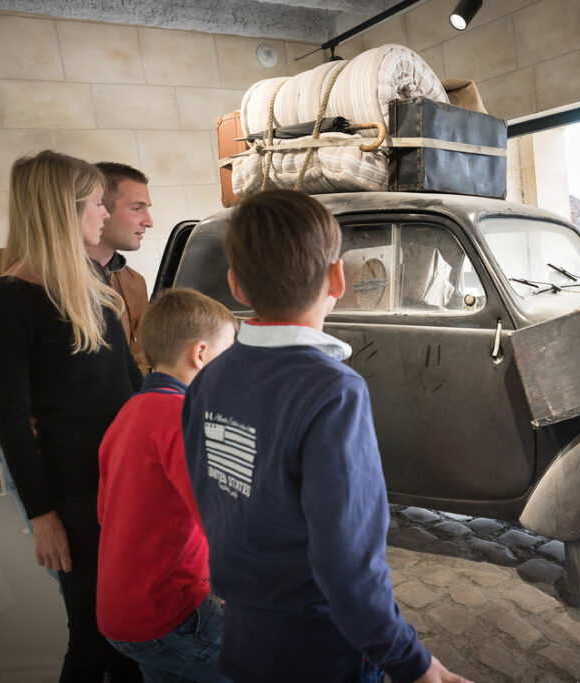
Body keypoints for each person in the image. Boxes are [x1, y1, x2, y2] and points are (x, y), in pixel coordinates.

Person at [182, 190, 470, 683]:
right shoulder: (333, 390)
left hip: (245, 638)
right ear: (339, 278)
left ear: (236, 285)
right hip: (322, 652)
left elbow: (209, 495)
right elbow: (348, 564)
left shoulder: (208, 377)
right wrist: (414, 664)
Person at [0, 150, 144, 683]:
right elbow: (13, 421)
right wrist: (42, 516)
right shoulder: (8, 299)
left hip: (125, 480)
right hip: (74, 492)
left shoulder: (94, 285)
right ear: (61, 210)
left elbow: (130, 388)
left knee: (132, 635)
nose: (103, 214)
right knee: (93, 639)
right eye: (97, 203)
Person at [0, 162, 153, 442]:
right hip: (47, 454)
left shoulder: (133, 282)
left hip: (120, 445)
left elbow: (139, 364)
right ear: (97, 206)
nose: (148, 220)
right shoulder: (8, 272)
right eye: (137, 208)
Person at [97, 288, 236, 682]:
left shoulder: (130, 412)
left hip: (121, 613)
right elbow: (222, 522)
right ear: (201, 354)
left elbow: (106, 512)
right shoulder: (183, 419)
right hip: (168, 612)